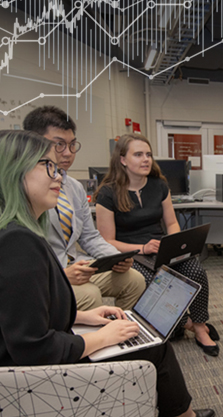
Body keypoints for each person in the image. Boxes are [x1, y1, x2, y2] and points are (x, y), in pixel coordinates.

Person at [0, 129, 223, 417]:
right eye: (48, 166)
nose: (59, 175)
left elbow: (21, 314)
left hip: (38, 358)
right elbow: (33, 349)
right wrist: (103, 337)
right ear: (15, 172)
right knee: (152, 346)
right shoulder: (18, 242)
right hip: (36, 380)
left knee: (150, 327)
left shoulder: (18, 234)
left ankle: (176, 413)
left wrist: (83, 316)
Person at [94, 133, 220, 356]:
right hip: (131, 253)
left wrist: (175, 244)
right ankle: (185, 323)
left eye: (149, 155)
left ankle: (200, 327)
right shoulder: (108, 193)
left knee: (196, 271)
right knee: (155, 282)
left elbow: (172, 223)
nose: (146, 159)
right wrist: (141, 249)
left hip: (161, 248)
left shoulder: (159, 185)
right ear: (122, 160)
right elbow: (107, 241)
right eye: (139, 154)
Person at [22, 106, 146, 311]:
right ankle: (87, 342)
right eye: (59, 145)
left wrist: (115, 257)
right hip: (48, 273)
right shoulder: (25, 189)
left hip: (77, 265)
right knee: (90, 295)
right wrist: (60, 274)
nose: (68, 153)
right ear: (33, 143)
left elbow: (89, 236)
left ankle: (128, 335)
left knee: (134, 280)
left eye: (72, 145)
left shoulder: (74, 187)